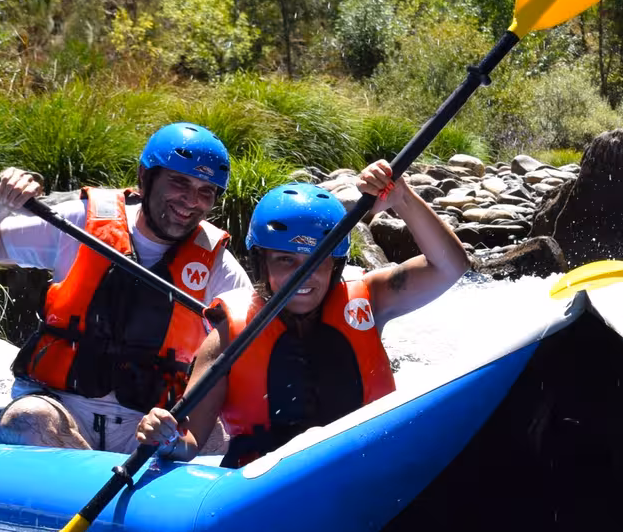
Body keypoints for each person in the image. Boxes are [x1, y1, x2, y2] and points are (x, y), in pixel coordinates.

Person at [134, 162, 470, 467]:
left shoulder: (370, 298)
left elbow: (451, 267)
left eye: (316, 261)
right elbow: (190, 441)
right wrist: (165, 438)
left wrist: (403, 198)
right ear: (261, 264)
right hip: (269, 486)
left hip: (364, 465)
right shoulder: (226, 337)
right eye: (285, 260)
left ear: (335, 265)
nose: (302, 276)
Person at [0, 122, 249, 452]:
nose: (191, 201)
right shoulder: (80, 223)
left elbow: (253, 338)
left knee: (222, 438)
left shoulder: (215, 261)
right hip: (64, 410)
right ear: (145, 178)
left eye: (205, 191)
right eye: (179, 182)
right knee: (27, 419)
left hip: (149, 424)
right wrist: (0, 205)